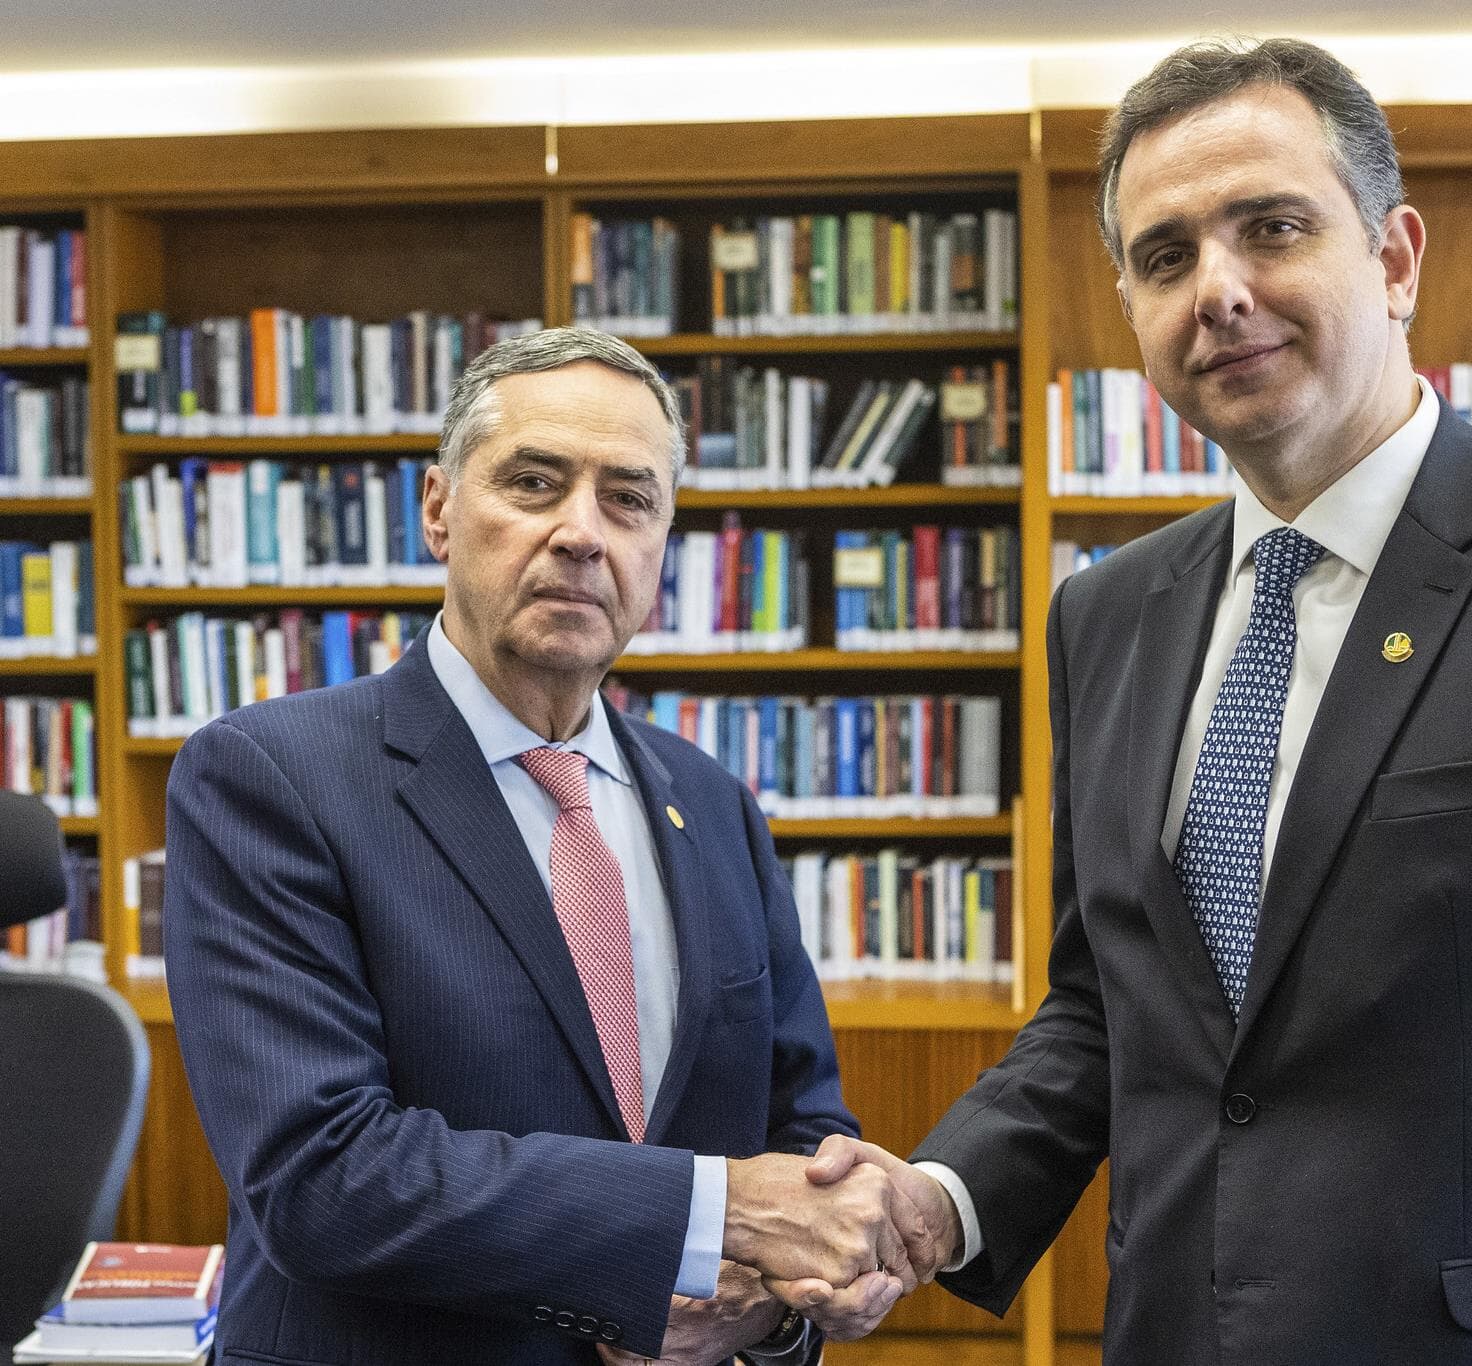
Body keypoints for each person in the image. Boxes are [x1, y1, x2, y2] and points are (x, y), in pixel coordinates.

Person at [789, 36, 1472, 1363]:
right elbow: (1105, 1007)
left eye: (1269, 228)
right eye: (1165, 257)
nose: (1217, 290)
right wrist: (938, 1198)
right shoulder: (1104, 616)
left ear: (1393, 259)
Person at [163, 327, 926, 1366]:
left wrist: (782, 1304)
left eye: (629, 499)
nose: (581, 533)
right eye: (533, 483)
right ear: (438, 508)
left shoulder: (713, 805)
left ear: (663, 541)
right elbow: (321, 1177)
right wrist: (709, 1217)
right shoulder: (269, 777)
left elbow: (800, 1137)